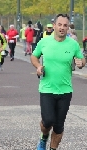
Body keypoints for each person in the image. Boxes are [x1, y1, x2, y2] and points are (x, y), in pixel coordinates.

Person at [30, 14, 86, 150]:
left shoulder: (73, 44)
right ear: (54, 25)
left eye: (65, 25)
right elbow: (34, 56)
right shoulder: (44, 42)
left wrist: (81, 63)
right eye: (59, 25)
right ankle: (43, 138)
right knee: (48, 121)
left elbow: (81, 60)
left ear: (68, 28)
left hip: (65, 90)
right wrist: (38, 66)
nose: (62, 28)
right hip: (47, 89)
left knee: (59, 126)